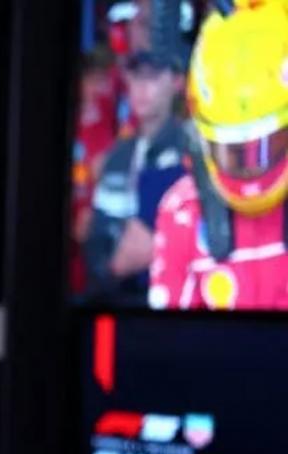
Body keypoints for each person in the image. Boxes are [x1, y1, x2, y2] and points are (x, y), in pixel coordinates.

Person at [149, 0, 288, 310]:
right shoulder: (182, 212)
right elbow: (165, 336)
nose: (251, 168)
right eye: (235, 152)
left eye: (268, 145)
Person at [82, 48, 190, 306]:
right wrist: (110, 270)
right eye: (135, 76)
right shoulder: (118, 155)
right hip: (116, 300)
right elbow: (97, 239)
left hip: (172, 301)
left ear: (176, 82)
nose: (141, 88)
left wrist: (156, 247)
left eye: (152, 76)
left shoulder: (191, 151)